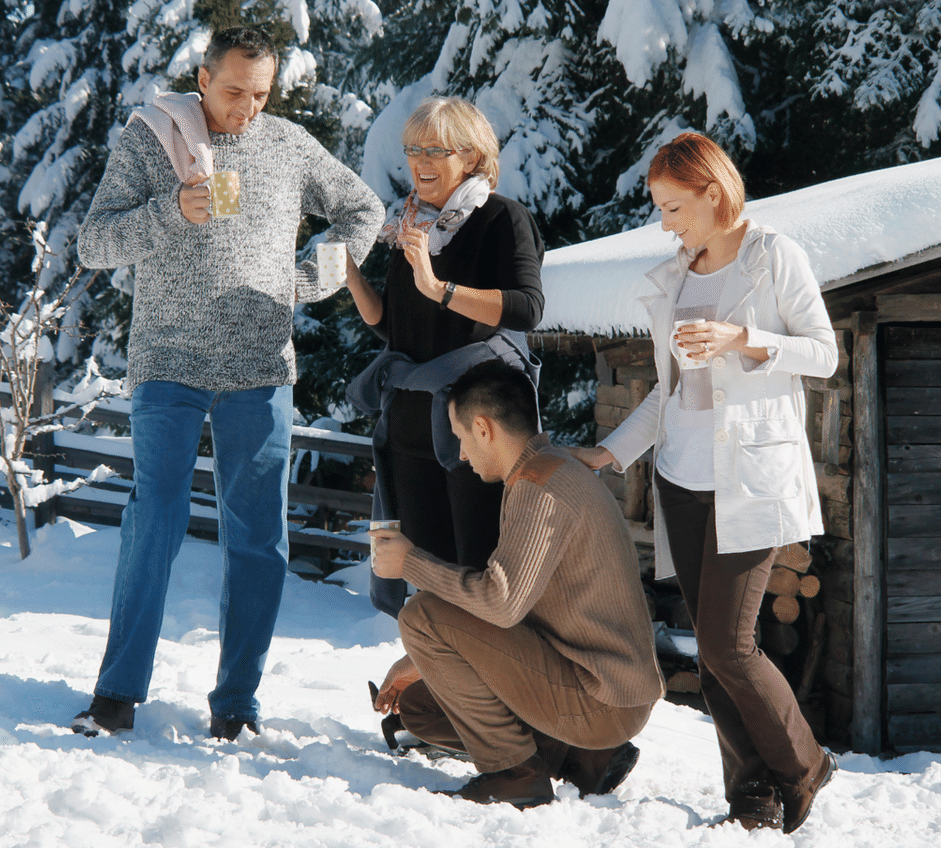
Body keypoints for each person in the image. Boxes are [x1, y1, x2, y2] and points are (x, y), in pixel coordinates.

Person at [70, 25, 384, 741]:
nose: (247, 107)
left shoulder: (286, 144)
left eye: (262, 94)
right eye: (236, 90)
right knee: (154, 522)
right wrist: (170, 212)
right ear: (203, 78)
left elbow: (362, 209)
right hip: (168, 361)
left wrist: (314, 276)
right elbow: (94, 243)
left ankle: (237, 705)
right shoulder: (153, 140)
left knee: (260, 541)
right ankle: (117, 693)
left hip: (260, 367)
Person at [569, 132, 839, 832]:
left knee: (728, 643)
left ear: (713, 194)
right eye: (660, 209)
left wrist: (743, 340)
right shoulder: (676, 276)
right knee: (712, 645)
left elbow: (824, 353)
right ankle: (750, 791)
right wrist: (614, 452)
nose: (665, 223)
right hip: (681, 480)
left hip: (751, 479)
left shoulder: (773, 257)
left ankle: (806, 766)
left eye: (673, 207)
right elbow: (667, 389)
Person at [369, 361, 663, 808]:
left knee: (421, 614)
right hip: (601, 686)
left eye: (461, 437)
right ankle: (576, 756)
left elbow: (502, 603)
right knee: (422, 709)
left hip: (602, 698)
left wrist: (410, 562)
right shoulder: (552, 468)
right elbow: (519, 603)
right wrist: (420, 661)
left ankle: (515, 773)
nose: (462, 454)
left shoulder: (537, 486)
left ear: (484, 428)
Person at [345, 96, 544, 619]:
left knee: (475, 577)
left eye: (435, 149)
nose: (420, 161)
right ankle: (434, 697)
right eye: (413, 148)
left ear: (473, 157)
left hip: (477, 430)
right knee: (427, 581)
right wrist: (349, 275)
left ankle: (484, 699)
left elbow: (526, 309)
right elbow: (395, 327)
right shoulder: (411, 223)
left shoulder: (502, 218)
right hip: (412, 425)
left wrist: (439, 288)